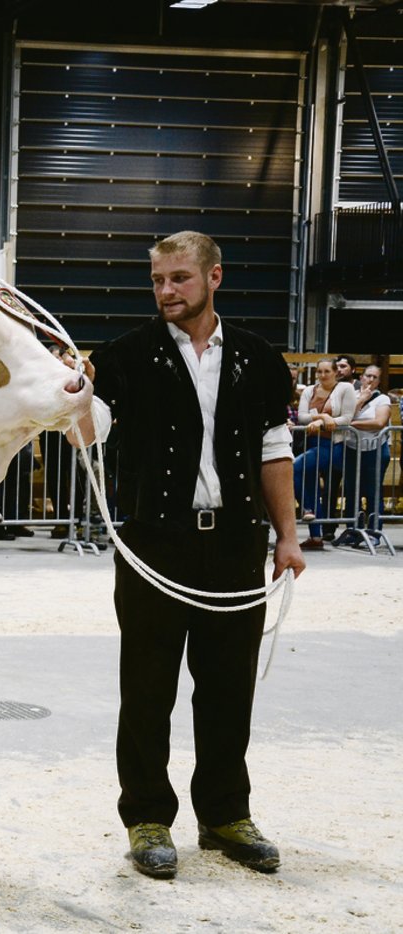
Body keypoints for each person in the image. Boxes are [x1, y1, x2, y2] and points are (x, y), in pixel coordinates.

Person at [66, 230, 305, 881]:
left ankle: (226, 815)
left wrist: (287, 535)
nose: (167, 291)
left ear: (214, 278)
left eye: (180, 279)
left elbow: (273, 451)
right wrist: (73, 398)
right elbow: (89, 434)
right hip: (153, 543)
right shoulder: (121, 357)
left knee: (228, 688)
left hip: (236, 544)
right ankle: (147, 817)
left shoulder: (259, 359)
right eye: (158, 281)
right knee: (146, 686)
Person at [292, 358, 356, 548]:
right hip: (310, 442)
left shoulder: (345, 389)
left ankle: (306, 507)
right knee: (310, 486)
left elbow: (347, 418)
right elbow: (301, 416)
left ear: (336, 372)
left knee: (295, 467)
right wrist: (322, 416)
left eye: (327, 371)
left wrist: (324, 422)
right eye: (319, 371)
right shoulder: (309, 391)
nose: (322, 375)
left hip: (332, 445)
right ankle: (316, 537)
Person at [337, 364, 394, 547]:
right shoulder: (352, 396)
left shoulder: (382, 398)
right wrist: (360, 400)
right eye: (367, 376)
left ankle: (374, 532)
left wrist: (351, 423)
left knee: (372, 492)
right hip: (352, 448)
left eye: (374, 377)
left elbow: (379, 422)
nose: (370, 380)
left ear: (379, 381)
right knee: (352, 491)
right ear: (361, 377)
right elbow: (343, 416)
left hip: (375, 449)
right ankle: (353, 531)